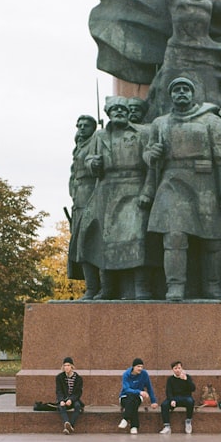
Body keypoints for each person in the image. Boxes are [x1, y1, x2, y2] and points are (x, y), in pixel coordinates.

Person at [144, 76, 221, 300]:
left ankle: (212, 285)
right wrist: (152, 155)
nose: (181, 93)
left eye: (186, 89)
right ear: (171, 95)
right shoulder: (160, 123)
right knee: (174, 236)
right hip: (172, 184)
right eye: (176, 90)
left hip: (205, 184)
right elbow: (148, 154)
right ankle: (175, 285)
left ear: (193, 94)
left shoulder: (211, 121)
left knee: (213, 239)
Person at [84, 97, 154, 299]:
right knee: (104, 240)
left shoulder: (142, 133)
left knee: (138, 238)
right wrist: (93, 164)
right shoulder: (99, 136)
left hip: (134, 187)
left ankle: (142, 286)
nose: (119, 112)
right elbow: (88, 160)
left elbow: (152, 166)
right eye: (114, 109)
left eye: (122, 109)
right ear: (108, 113)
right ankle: (108, 287)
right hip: (107, 191)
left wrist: (147, 191)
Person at [68, 114, 101, 299]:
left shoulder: (97, 141)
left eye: (86, 125)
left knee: (94, 242)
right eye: (78, 125)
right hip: (79, 200)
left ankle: (98, 287)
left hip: (93, 196)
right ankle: (91, 286)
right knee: (80, 245)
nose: (81, 128)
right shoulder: (78, 147)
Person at [119, 357, 158, 434]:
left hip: (137, 398)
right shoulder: (126, 374)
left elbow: (149, 388)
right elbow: (126, 389)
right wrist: (139, 392)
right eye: (138, 366)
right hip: (125, 397)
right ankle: (134, 426)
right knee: (131, 398)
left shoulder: (144, 374)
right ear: (133, 367)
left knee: (134, 400)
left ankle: (125, 419)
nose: (140, 368)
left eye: (141, 367)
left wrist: (153, 401)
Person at [160, 360, 196, 434]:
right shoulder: (170, 379)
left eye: (179, 368)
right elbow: (168, 391)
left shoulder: (187, 377)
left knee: (191, 401)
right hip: (174, 398)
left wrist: (186, 380)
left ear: (182, 368)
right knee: (164, 405)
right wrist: (172, 400)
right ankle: (167, 426)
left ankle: (188, 422)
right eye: (175, 368)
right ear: (172, 370)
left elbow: (193, 389)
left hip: (185, 397)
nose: (177, 370)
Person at [55, 356, 84, 434]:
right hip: (63, 399)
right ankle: (67, 422)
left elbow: (78, 393)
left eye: (68, 365)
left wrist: (71, 399)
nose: (66, 367)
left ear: (72, 366)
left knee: (78, 406)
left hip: (74, 399)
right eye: (65, 365)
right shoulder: (59, 377)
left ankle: (69, 426)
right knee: (61, 407)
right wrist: (61, 400)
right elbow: (59, 390)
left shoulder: (78, 378)